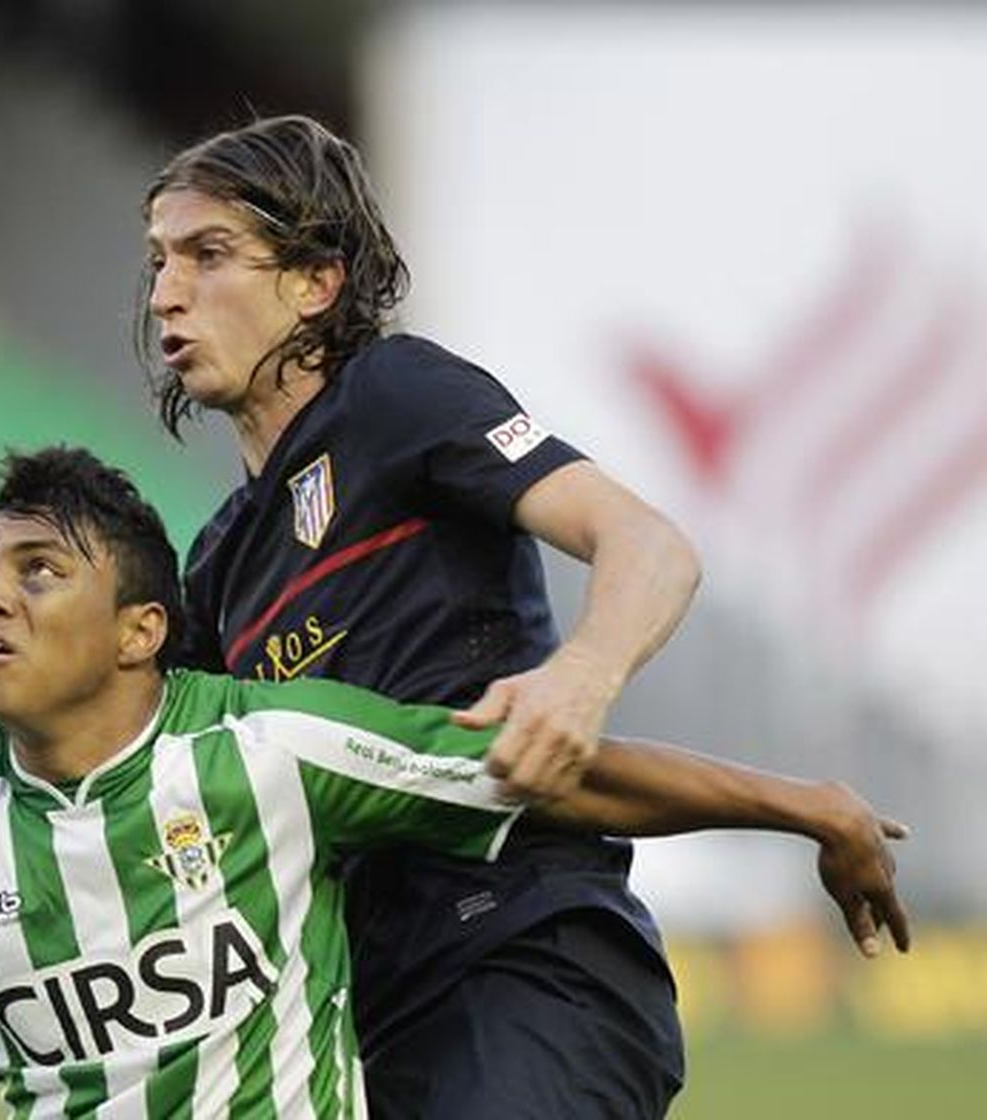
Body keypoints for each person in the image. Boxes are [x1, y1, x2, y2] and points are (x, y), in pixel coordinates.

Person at [0, 447, 907, 1119]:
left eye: (39, 570)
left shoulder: (270, 748)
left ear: (140, 629)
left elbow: (545, 779)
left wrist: (811, 805)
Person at [139, 114, 707, 1116]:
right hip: (370, 1007)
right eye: (157, 261)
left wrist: (582, 675)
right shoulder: (221, 561)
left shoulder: (394, 397)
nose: (164, 293)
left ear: (315, 282)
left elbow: (648, 543)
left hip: (522, 956)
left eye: (207, 254)